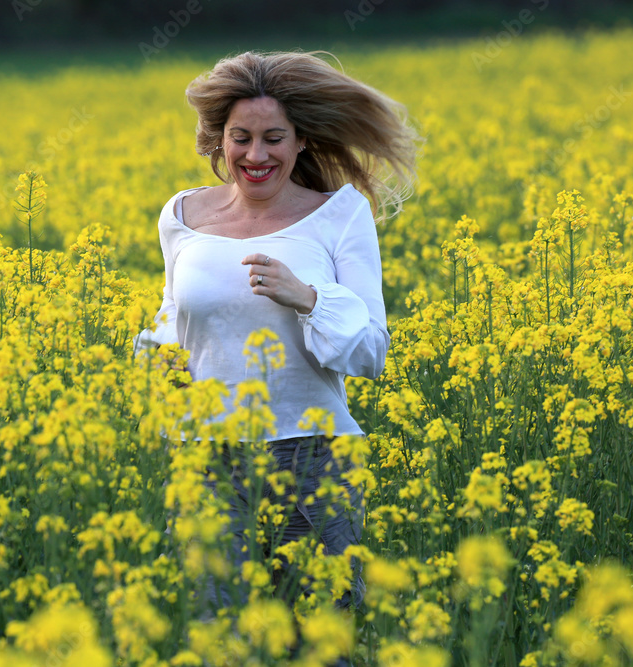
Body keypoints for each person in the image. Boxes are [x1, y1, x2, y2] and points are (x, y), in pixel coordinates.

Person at [135, 49, 419, 653]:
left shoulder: (338, 216)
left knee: (316, 644)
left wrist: (309, 298)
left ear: (300, 143)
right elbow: (171, 321)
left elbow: (371, 352)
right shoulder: (182, 216)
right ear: (218, 141)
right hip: (204, 457)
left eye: (273, 139)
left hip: (314, 457)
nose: (256, 156)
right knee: (219, 641)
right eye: (241, 138)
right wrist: (159, 365)